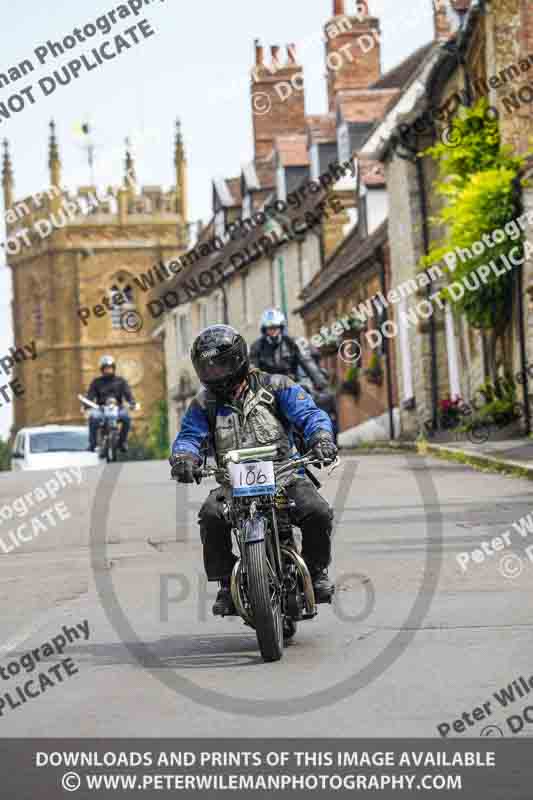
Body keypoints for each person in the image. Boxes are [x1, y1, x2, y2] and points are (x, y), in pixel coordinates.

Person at [169, 324, 338, 617]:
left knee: (317, 510)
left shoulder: (277, 386)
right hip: (233, 483)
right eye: (209, 368)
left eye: (221, 365)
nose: (216, 374)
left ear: (239, 359)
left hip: (285, 474)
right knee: (211, 515)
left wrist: (321, 438)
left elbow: (309, 414)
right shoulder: (203, 403)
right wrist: (184, 457)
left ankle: (316, 571)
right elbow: (189, 437)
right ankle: (225, 583)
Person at [250, 308, 328, 391]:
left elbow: (306, 361)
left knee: (309, 397)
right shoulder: (257, 346)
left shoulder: (293, 343)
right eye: (270, 328)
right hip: (268, 389)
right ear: (264, 329)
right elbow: (253, 370)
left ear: (281, 327)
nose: (273, 331)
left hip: (291, 385)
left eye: (276, 327)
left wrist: (320, 382)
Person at [86, 355, 136, 452]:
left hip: (118, 409)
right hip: (101, 409)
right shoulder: (96, 382)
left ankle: (122, 442)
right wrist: (86, 404)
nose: (108, 370)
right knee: (93, 418)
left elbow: (128, 394)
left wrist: (132, 402)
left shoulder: (121, 381)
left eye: (110, 368)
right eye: (106, 368)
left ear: (113, 368)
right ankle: (92, 444)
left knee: (126, 418)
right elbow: (90, 395)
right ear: (102, 369)